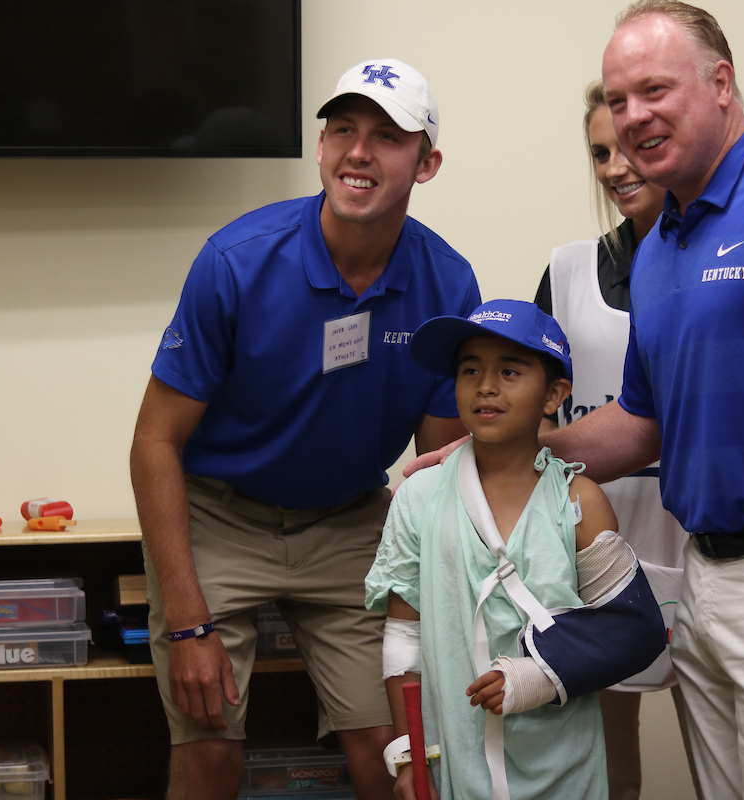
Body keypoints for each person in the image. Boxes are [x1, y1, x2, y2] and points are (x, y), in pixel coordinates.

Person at [407, 2, 744, 797]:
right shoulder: (661, 247)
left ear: (721, 82)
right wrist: (502, 457)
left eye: (654, 90)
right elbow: (642, 423)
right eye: (619, 100)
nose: (632, 119)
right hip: (706, 579)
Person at [129, 58, 480, 800]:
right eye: (342, 130)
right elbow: (154, 443)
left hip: (351, 523)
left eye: (388, 136)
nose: (359, 150)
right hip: (217, 518)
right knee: (210, 747)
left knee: (393, 750)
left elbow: (439, 465)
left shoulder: (448, 284)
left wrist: (458, 604)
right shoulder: (237, 262)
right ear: (320, 150)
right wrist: (189, 625)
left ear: (427, 163)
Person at [366, 299, 667, 800]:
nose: (486, 385)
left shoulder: (579, 500)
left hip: (564, 768)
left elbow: (632, 631)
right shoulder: (418, 498)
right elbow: (403, 636)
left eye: (509, 370)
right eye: (470, 370)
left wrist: (539, 675)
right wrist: (408, 756)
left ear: (554, 394)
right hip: (455, 764)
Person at [534, 80, 699, 800]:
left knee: (726, 758)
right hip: (598, 545)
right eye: (601, 151)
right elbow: (532, 413)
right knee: (604, 766)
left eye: (630, 146)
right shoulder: (568, 271)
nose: (615, 166)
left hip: (701, 542)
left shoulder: (720, 264)